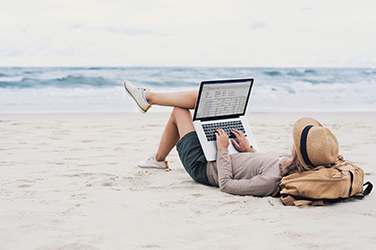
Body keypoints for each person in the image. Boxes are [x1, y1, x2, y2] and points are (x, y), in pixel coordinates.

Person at [124, 80, 339, 197]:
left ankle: (157, 151)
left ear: (300, 152)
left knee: (180, 110)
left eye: (298, 139)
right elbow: (254, 165)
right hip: (227, 153)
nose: (293, 139)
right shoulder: (287, 162)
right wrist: (248, 150)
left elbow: (226, 184)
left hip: (204, 166)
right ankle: (157, 154)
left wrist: (223, 149)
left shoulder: (271, 181)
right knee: (201, 97)